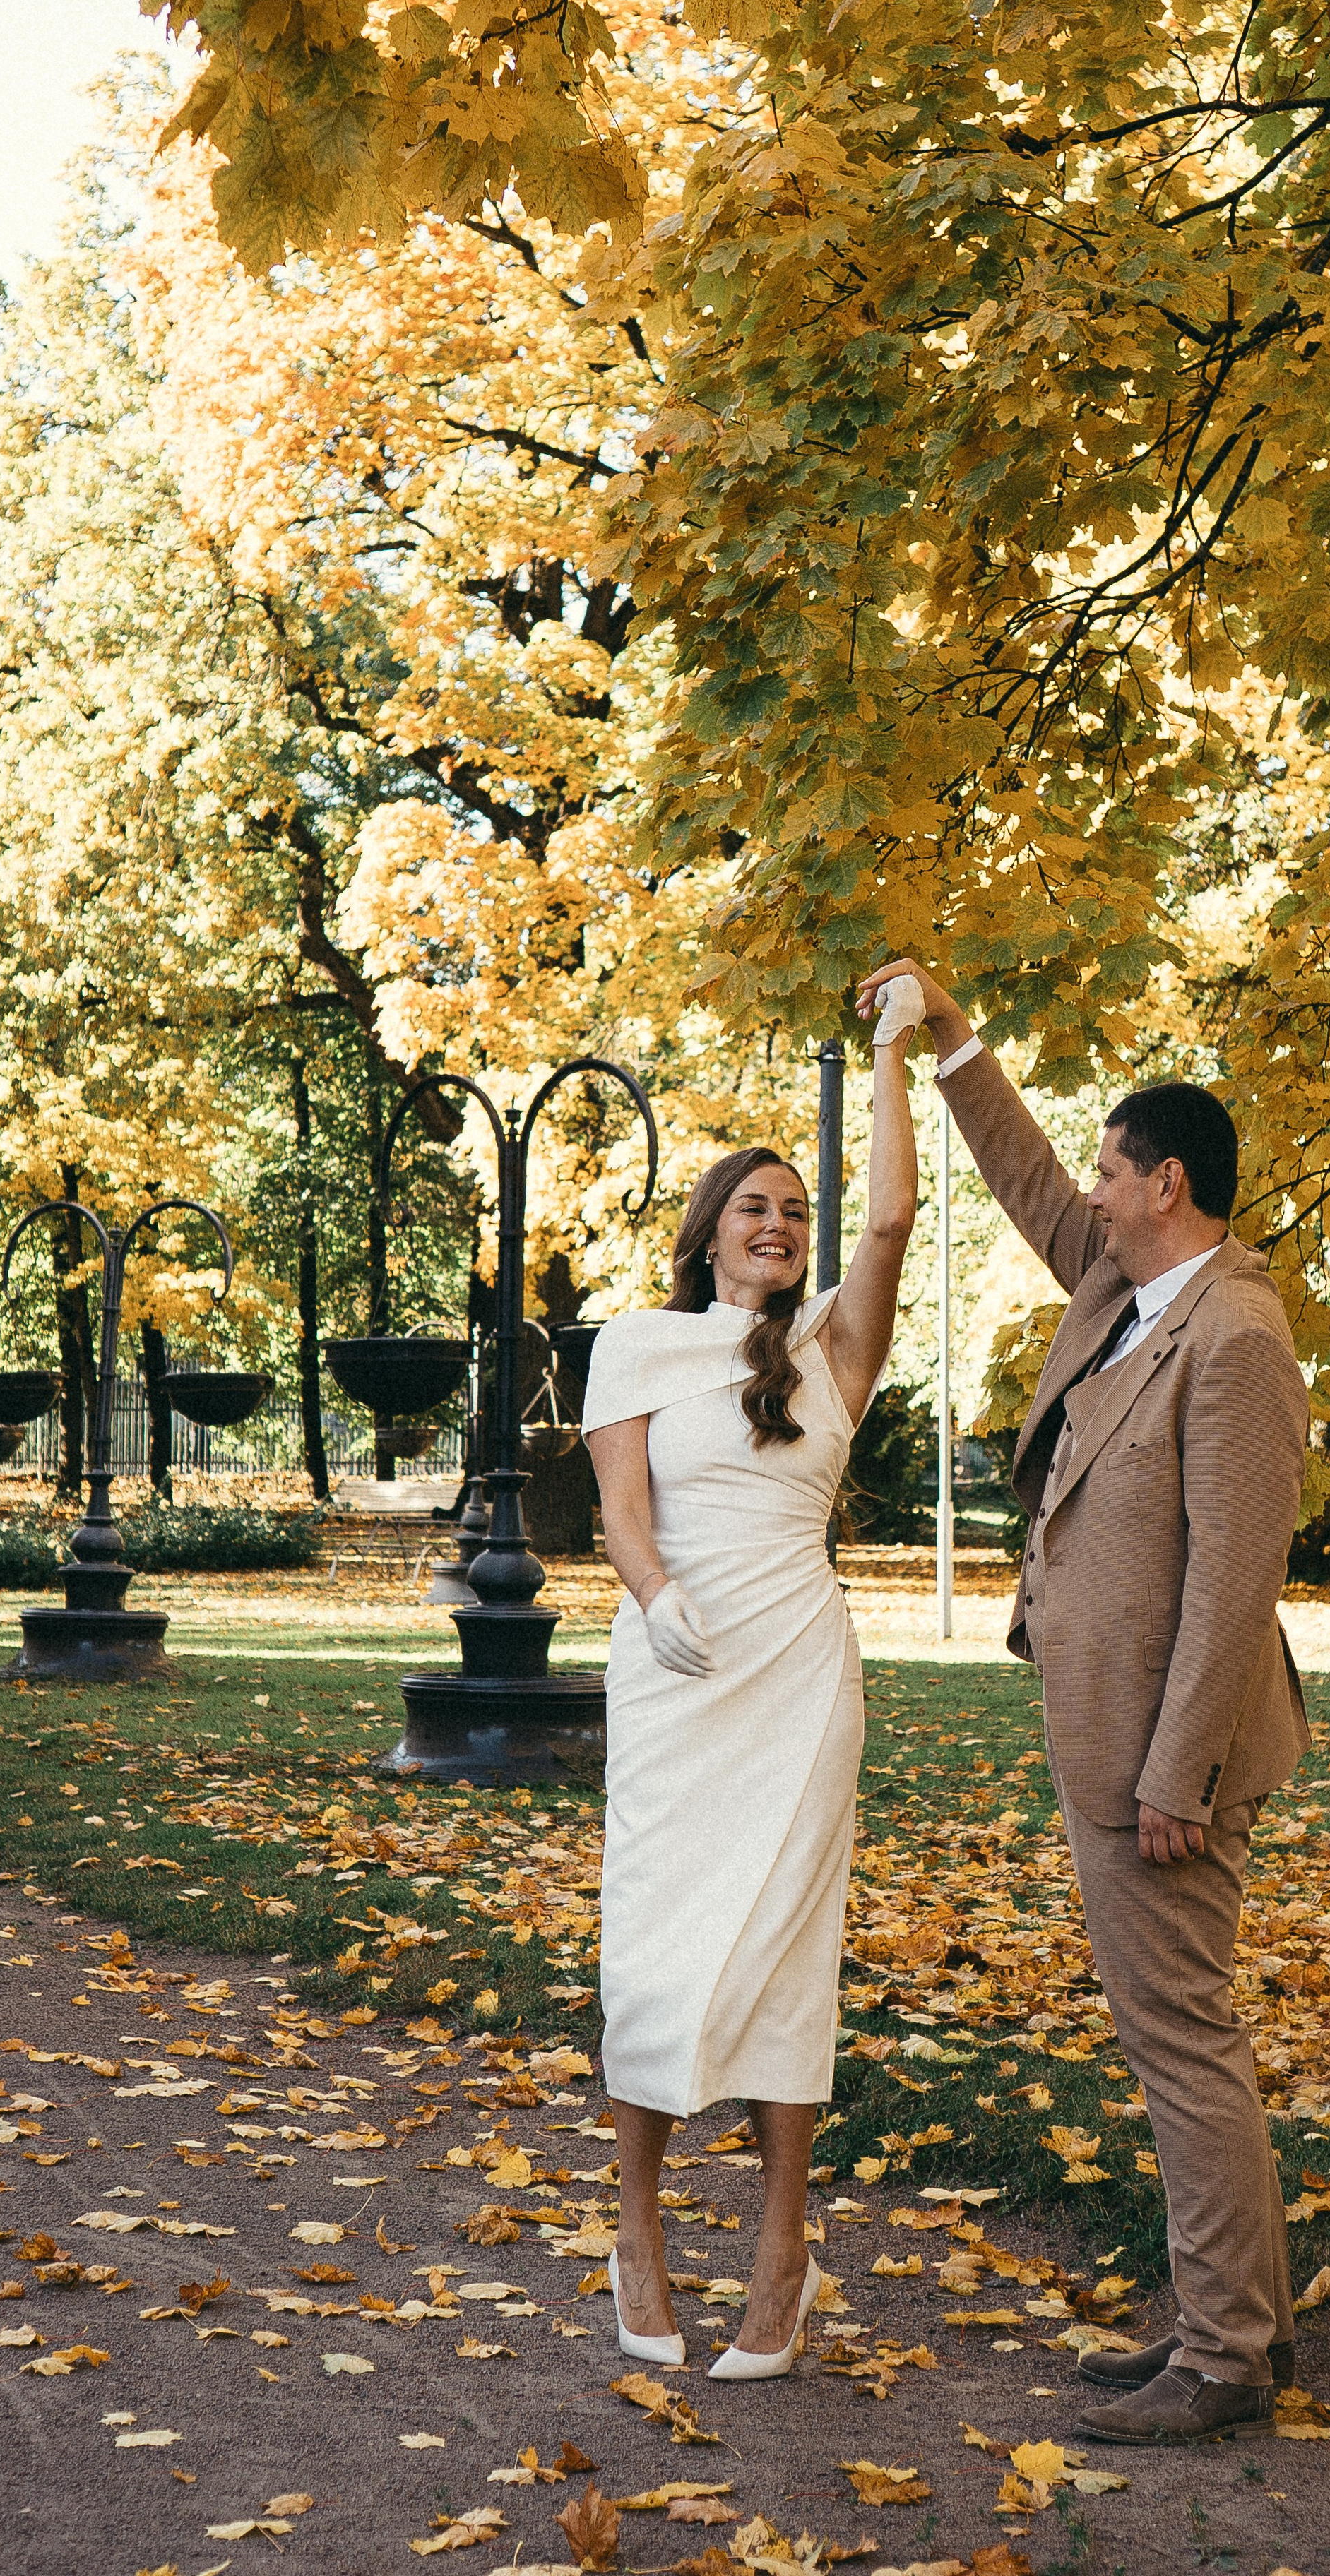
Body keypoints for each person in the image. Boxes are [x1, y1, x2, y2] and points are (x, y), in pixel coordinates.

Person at [855, 957, 1309, 2445]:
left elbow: (1233, 1582)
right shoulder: (1129, 1281)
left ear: (1166, 1182)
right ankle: (1225, 2325)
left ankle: (1225, 2358)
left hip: (1158, 1762)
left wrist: (1174, 1775)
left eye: (1114, 1176)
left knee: (1179, 2037)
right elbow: (1028, 1183)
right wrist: (949, 1036)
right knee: (1168, 2032)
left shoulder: (1234, 1333)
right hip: (1109, 1732)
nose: (1092, 1197)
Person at [582, 982, 922, 2380]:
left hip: (794, 1669)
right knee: (657, 1949)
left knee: (785, 1948)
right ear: (707, 1231)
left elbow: (890, 1219)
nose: (777, 1226)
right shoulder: (635, 1343)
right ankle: (636, 2231)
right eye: (753, 1209)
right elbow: (616, 1513)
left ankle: (782, 2249)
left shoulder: (830, 1344)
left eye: (791, 1210)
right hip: (675, 1672)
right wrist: (656, 1603)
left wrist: (900, 1052)